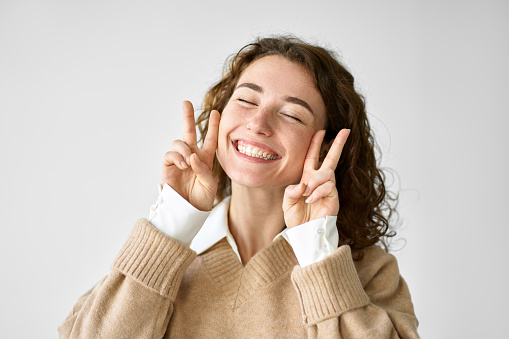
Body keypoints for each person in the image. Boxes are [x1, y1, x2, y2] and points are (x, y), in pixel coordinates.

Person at [59, 36, 419, 338]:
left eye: (292, 114)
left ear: (324, 147)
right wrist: (173, 221)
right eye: (246, 100)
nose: (258, 124)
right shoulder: (166, 252)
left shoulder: (368, 272)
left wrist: (317, 250)